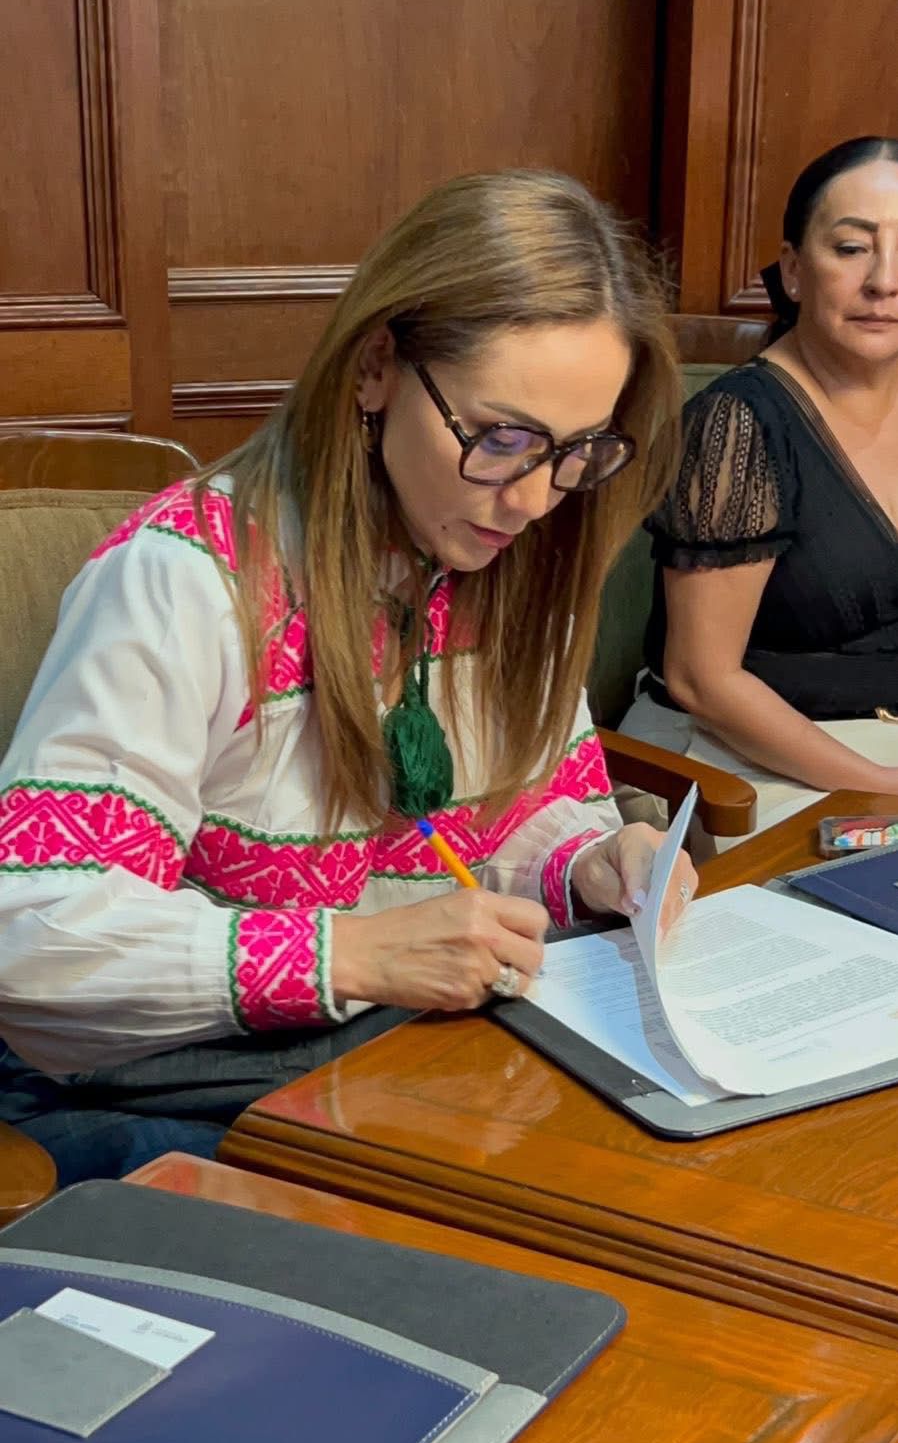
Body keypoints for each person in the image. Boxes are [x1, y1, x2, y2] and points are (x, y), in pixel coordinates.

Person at [0, 170, 697, 1184]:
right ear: (375, 368)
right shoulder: (191, 580)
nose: (536, 498)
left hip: (400, 1057)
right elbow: (36, 933)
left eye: (577, 450)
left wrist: (587, 862)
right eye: (501, 437)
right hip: (173, 1094)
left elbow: (495, 825)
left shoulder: (510, 566)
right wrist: (351, 954)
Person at [621, 136, 898, 849]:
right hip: (746, 759)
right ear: (795, 270)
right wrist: (885, 787)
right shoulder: (737, 423)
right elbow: (702, 680)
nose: (884, 280)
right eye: (852, 248)